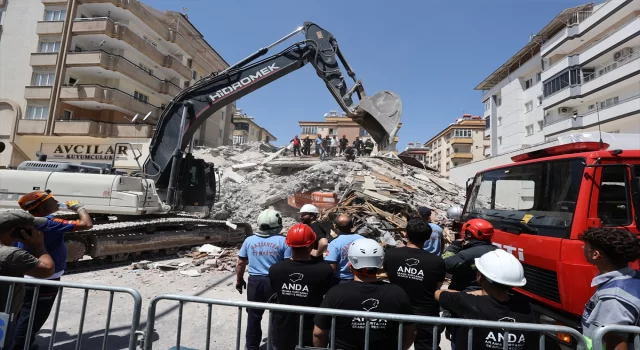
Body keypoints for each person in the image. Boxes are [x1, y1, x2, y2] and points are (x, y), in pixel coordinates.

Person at [13, 191, 92, 350]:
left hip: (25, 274)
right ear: (42, 207)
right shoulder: (48, 222)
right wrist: (79, 208)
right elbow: (87, 224)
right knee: (32, 318)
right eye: (52, 200)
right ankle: (19, 346)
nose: (56, 201)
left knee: (19, 314)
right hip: (44, 279)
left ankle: (17, 342)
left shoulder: (26, 221)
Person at [313, 239, 416, 350]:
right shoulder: (398, 293)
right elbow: (411, 332)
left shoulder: (336, 293)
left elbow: (319, 333)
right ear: (380, 263)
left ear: (350, 265)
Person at [436, 249, 536, 350]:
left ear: (480, 277)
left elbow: (438, 293)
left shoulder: (467, 302)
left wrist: (471, 293)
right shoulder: (525, 308)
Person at [269, 223, 334, 350]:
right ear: (311, 244)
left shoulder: (275, 269)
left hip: (283, 330)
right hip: (311, 331)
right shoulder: (324, 270)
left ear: (288, 244)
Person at [384, 218, 446, 350]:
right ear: (428, 238)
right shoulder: (436, 262)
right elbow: (438, 287)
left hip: (397, 309)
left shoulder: (390, 255)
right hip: (425, 314)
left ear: (406, 234)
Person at [235, 208, 292, 350]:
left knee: (253, 318)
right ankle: (274, 345)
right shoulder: (284, 241)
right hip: (274, 283)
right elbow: (287, 265)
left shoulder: (249, 240)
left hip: (255, 282)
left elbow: (241, 263)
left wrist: (239, 279)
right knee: (277, 317)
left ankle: (252, 347)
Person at [0, 211, 55, 350]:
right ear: (15, 231)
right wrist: (38, 246)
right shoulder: (12, 254)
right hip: (3, 314)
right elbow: (47, 270)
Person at [580, 228, 640, 349]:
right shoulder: (633, 277)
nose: (582, 248)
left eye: (586, 245)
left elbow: (615, 343)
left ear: (595, 254)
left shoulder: (614, 298)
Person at [442, 218, 496, 292]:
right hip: (489, 293)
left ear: (469, 234)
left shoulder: (466, 254)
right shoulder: (498, 251)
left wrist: (454, 247)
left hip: (465, 293)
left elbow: (445, 264)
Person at [325, 214, 364, 283]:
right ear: (352, 226)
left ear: (336, 227)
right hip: (361, 278)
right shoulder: (362, 239)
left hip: (341, 280)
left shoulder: (334, 243)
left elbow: (332, 267)